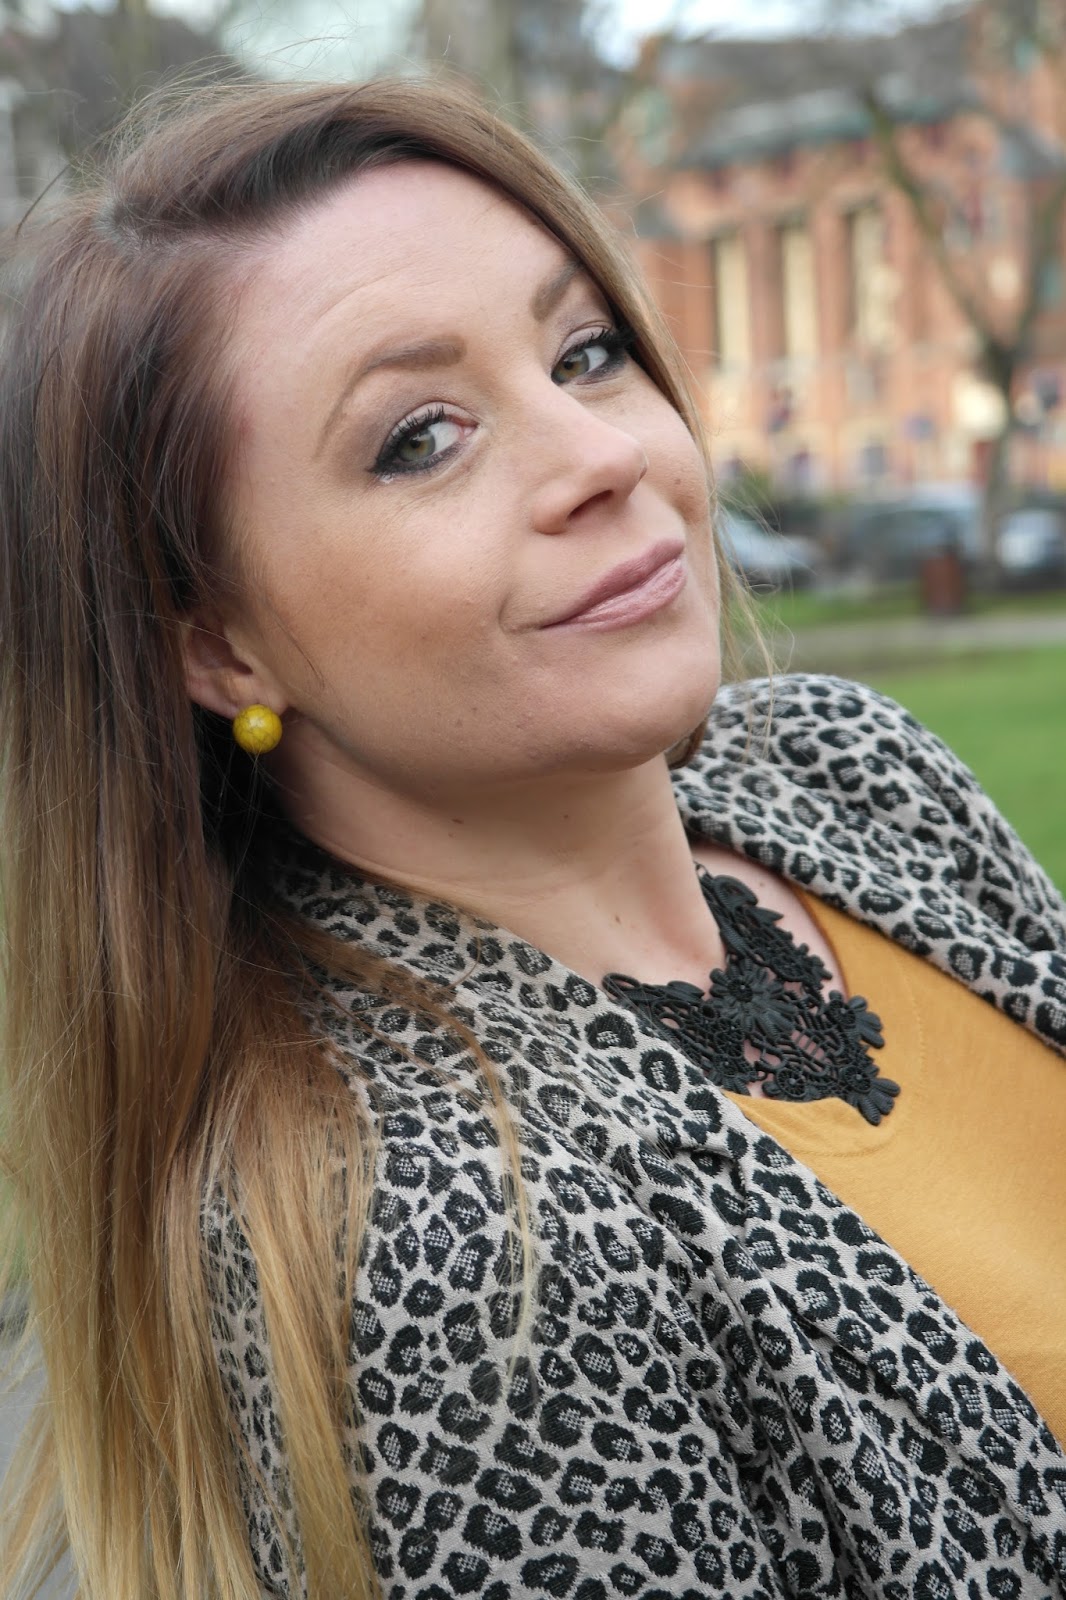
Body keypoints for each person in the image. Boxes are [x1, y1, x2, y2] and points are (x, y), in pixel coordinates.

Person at [0, 76, 1064, 1600]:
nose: (597, 455)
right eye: (421, 438)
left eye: (585, 352)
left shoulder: (851, 773)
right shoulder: (455, 1247)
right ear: (220, 643)